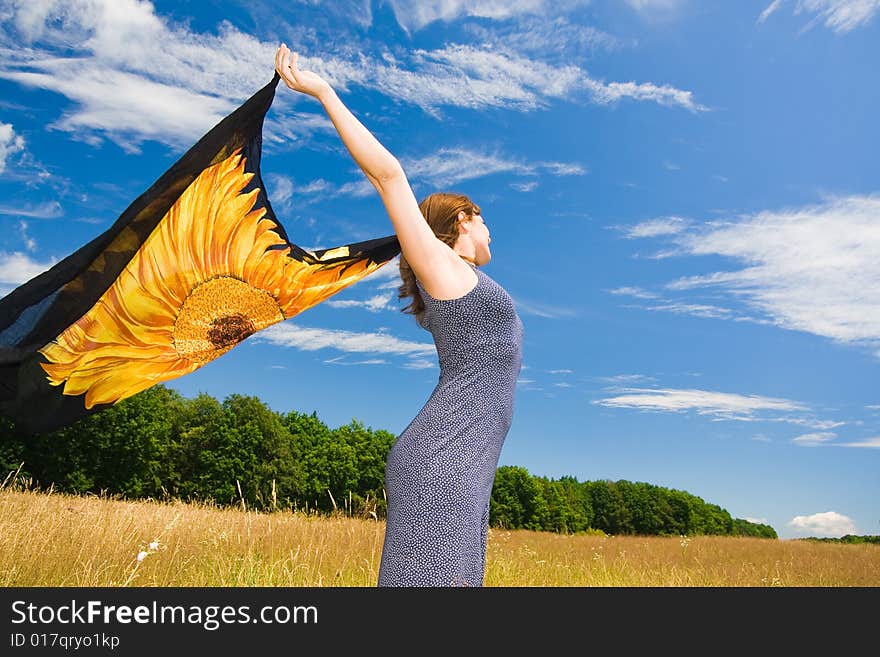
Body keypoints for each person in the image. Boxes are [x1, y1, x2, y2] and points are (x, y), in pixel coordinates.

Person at [274, 44, 523, 587]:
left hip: (463, 465)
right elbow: (389, 176)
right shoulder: (445, 270)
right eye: (484, 219)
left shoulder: (461, 281)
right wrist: (322, 91)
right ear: (463, 218)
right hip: (444, 462)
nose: (489, 231)